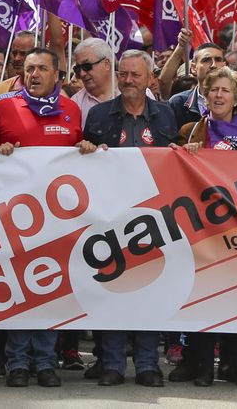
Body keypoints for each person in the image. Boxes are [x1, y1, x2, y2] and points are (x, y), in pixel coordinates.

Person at [0, 48, 83, 388]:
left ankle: (45, 362)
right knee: (20, 293)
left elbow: (78, 160)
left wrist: (88, 150)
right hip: (15, 220)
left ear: (57, 74)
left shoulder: (71, 110)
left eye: (41, 68)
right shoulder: (3, 108)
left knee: (49, 292)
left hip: (56, 221)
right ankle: (18, 363)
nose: (34, 75)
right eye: (28, 69)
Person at [82, 51, 175, 387]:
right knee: (112, 289)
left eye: (136, 75)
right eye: (123, 74)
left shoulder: (165, 116)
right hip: (109, 218)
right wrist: (85, 152)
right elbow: (82, 163)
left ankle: (148, 365)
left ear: (150, 77)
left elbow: (179, 160)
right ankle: (112, 364)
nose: (128, 81)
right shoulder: (98, 115)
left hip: (155, 220)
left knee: (150, 292)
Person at [174, 66, 237, 388]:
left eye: (225, 90)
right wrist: (184, 152)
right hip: (201, 227)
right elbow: (169, 164)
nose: (219, 95)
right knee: (204, 298)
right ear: (206, 95)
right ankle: (202, 366)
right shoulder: (191, 129)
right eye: (214, 90)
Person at [70, 37, 119, 126]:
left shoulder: (138, 93)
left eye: (87, 66)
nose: (82, 74)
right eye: (77, 69)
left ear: (106, 64)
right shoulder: (75, 103)